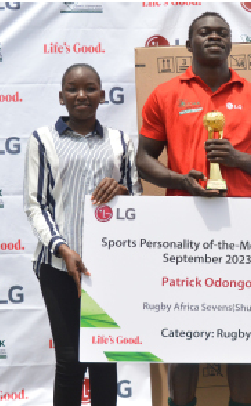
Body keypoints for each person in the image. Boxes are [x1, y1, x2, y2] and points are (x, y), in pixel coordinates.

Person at [136, 12, 251, 406]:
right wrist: (180, 181)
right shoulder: (165, 94)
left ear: (231, 43)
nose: (214, 37)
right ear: (189, 45)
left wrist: (238, 159)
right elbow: (143, 159)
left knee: (244, 331)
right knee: (185, 332)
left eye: (221, 32)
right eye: (204, 32)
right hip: (184, 224)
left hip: (245, 225)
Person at [23, 63, 141, 406]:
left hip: (109, 270)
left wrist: (120, 191)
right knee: (70, 361)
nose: (82, 95)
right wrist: (63, 248)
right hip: (59, 267)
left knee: (106, 359)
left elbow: (137, 199)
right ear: (62, 97)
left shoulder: (120, 142)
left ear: (102, 96)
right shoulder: (43, 140)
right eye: (73, 89)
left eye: (90, 88)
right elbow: (36, 204)